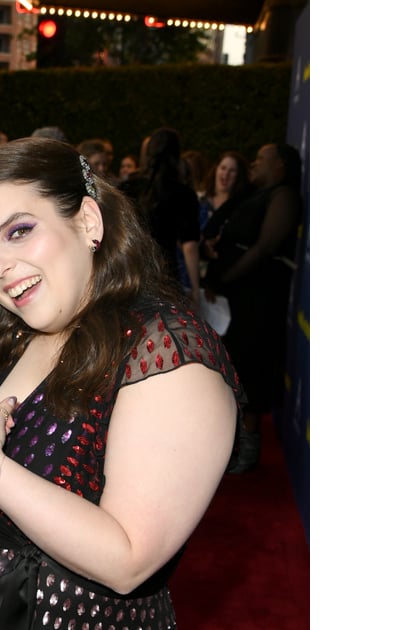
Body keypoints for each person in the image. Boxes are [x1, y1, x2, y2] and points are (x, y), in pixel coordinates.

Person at [0, 137, 241, 629]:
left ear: (89, 222)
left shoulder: (168, 354)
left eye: (19, 231)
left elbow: (128, 559)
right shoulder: (13, 334)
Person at [202, 143, 302, 474]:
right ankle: (230, 442)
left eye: (262, 160)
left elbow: (265, 246)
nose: (255, 164)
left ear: (280, 166)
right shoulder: (252, 194)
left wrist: (226, 278)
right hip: (236, 298)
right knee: (233, 365)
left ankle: (248, 445)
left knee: (252, 366)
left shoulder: (284, 195)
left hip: (258, 298)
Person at [118, 127, 202, 305]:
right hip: (165, 276)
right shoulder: (183, 194)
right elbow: (189, 245)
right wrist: (195, 287)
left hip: (130, 272)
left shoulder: (129, 187)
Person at [198, 150, 251, 230]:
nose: (226, 174)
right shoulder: (198, 200)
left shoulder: (242, 207)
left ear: (239, 176)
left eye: (232, 170)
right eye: (223, 168)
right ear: (216, 170)